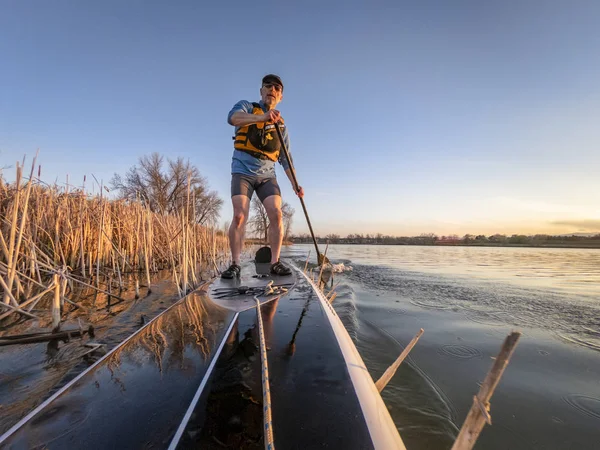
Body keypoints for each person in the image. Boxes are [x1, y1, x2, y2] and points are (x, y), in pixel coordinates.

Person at [222, 74, 304, 279]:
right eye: (268, 86)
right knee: (240, 215)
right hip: (242, 171)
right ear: (261, 91)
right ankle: (235, 264)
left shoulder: (281, 126)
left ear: (281, 97)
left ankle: (275, 262)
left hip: (267, 175)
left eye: (277, 88)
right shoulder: (247, 107)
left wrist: (296, 184)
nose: (272, 90)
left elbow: (285, 158)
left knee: (276, 214)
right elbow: (232, 118)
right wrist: (262, 117)